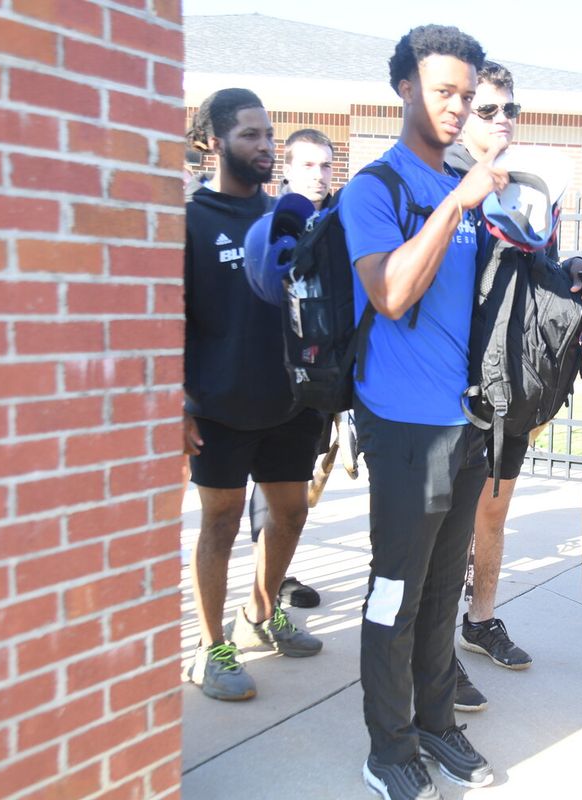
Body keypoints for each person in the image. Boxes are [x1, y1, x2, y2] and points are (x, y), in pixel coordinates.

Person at [338, 25, 505, 799]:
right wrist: (455, 206)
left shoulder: (465, 187)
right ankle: (388, 744)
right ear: (405, 86)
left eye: (467, 96)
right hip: (403, 427)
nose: (457, 107)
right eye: (444, 91)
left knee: (444, 590)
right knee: (396, 591)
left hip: (465, 420)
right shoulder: (377, 188)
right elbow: (392, 292)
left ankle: (436, 721)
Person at [444, 61, 582, 713]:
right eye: (488, 110)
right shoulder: (442, 184)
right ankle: (429, 652)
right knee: (441, 525)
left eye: (509, 109)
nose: (503, 121)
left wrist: (575, 267)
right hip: (452, 387)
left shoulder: (531, 187)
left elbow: (535, 264)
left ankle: (479, 620)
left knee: (491, 510)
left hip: (512, 383)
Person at [182, 88, 324, 702]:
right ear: (215, 141)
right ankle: (211, 648)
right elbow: (163, 319)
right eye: (249, 135)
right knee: (219, 523)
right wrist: (176, 400)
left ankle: (261, 615)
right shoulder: (189, 219)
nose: (265, 146)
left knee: (291, 515)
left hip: (291, 402)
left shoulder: (289, 218)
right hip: (219, 406)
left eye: (269, 135)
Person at [246, 127, 342, 611]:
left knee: (300, 481)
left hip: (321, 375)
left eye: (325, 165)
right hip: (269, 375)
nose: (319, 174)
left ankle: (278, 572)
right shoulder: (267, 222)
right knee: (273, 483)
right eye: (308, 165)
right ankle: (269, 588)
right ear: (286, 170)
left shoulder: (340, 221)